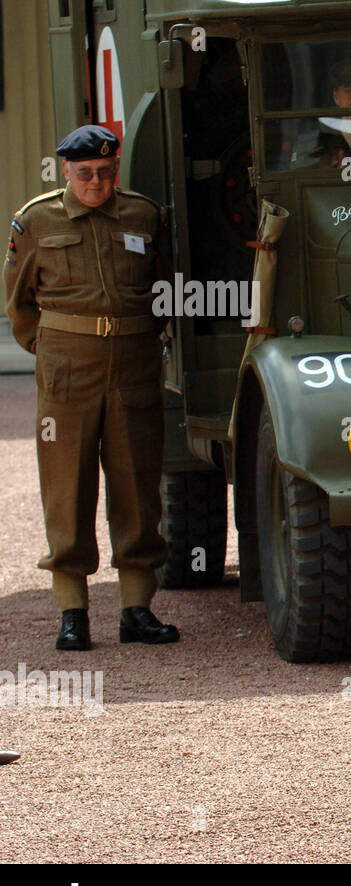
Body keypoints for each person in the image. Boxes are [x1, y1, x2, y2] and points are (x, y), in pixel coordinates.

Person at [4, 125, 181, 651]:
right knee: (67, 488)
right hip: (67, 370)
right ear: (66, 172)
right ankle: (73, 613)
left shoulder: (144, 215)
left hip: (132, 365)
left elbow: (164, 287)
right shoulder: (36, 220)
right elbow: (19, 306)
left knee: (136, 486)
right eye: (85, 174)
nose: (96, 183)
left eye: (106, 173)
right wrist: (58, 351)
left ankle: (136, 608)